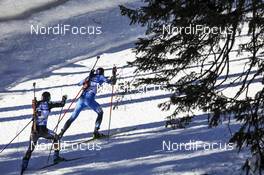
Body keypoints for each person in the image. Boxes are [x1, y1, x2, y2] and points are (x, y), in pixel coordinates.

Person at [59, 67, 116, 139]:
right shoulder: (101, 77)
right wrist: (114, 74)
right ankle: (96, 132)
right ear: (102, 72)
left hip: (81, 100)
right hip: (89, 100)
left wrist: (88, 79)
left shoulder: (90, 76)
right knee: (100, 112)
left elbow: (79, 84)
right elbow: (112, 82)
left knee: (72, 117)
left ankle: (61, 133)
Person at [21, 92, 67, 172]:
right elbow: (62, 104)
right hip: (44, 131)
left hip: (34, 131)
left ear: (42, 97)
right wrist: (64, 98)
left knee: (31, 148)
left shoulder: (37, 103)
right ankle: (56, 157)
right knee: (56, 138)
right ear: (49, 98)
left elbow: (34, 106)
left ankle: (24, 164)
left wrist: (34, 104)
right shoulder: (49, 104)